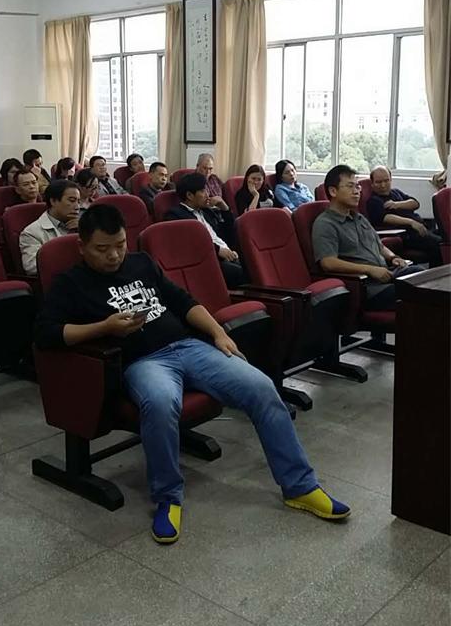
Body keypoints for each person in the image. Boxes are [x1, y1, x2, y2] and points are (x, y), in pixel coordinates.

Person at [35, 204, 351, 544]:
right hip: (144, 361)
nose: (114, 255)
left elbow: (184, 302)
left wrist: (218, 333)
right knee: (160, 404)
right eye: (102, 249)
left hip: (189, 347)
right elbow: (46, 334)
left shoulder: (141, 263)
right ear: (82, 246)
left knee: (261, 387)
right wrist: (104, 327)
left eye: (120, 245)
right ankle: (168, 497)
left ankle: (300, 486)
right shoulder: (71, 284)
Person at [312, 165, 423, 311]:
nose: (357, 191)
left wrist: (393, 257)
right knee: (417, 293)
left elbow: (379, 246)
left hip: (386, 274)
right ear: (333, 191)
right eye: (350, 186)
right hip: (367, 287)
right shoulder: (325, 223)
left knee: (422, 275)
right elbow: (328, 262)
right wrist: (369, 270)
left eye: (357, 186)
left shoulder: (359, 218)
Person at [166, 173, 244, 289]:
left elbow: (229, 234)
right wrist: (217, 250)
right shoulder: (175, 215)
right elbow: (190, 243)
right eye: (203, 191)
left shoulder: (206, 211)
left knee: (254, 262)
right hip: (207, 260)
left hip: (228, 254)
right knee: (239, 272)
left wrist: (225, 208)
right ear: (189, 195)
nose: (207, 195)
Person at [367, 166, 443, 268]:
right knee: (440, 244)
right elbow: (384, 217)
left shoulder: (396, 192)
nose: (383, 185)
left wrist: (397, 204)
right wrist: (411, 222)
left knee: (447, 237)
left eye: (386, 180)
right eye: (378, 182)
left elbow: (415, 203)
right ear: (372, 183)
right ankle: (437, 276)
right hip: (406, 234)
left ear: (391, 179)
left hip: (421, 228)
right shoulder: (374, 201)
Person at [19, 180, 80, 275]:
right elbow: (32, 267)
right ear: (53, 201)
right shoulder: (32, 232)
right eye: (72, 201)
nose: (77, 207)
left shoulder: (83, 225)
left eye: (78, 201)